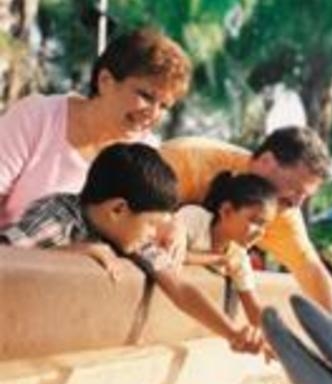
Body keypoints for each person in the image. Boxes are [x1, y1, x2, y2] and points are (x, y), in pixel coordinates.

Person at [0, 143, 264, 355]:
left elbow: (180, 289)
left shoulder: (131, 237)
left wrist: (232, 333)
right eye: (152, 225)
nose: (156, 235)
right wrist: (71, 253)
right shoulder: (58, 219)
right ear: (118, 210)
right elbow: (7, 256)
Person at [0, 28, 191, 226]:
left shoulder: (147, 157)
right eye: (146, 96)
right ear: (105, 81)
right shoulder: (38, 116)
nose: (153, 114)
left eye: (164, 106)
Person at [160, 126, 332, 314]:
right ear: (266, 161)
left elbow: (311, 271)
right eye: (295, 188)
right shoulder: (188, 159)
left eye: (305, 196)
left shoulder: (283, 208)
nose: (296, 203)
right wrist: (170, 223)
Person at [175, 172, 278, 328]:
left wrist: (273, 336)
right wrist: (219, 259)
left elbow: (253, 309)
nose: (260, 232)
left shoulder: (237, 255)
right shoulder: (193, 218)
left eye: (264, 225)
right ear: (226, 211)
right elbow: (167, 254)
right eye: (255, 221)